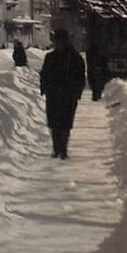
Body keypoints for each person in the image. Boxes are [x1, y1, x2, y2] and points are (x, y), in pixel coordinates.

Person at [39, 29, 86, 160]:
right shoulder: (73, 57)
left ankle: (61, 149)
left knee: (61, 123)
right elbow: (45, 75)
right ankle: (58, 148)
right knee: (58, 123)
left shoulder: (72, 58)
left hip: (63, 94)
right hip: (60, 94)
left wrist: (77, 92)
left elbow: (80, 77)